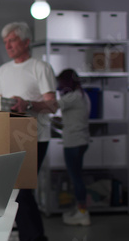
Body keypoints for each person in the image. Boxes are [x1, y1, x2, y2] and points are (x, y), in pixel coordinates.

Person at [0, 22, 57, 241]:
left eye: (12, 40)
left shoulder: (40, 67)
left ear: (26, 41)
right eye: (5, 42)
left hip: (35, 138)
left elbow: (52, 105)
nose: (8, 45)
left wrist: (27, 105)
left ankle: (35, 237)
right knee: (13, 189)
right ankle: (31, 235)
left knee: (22, 188)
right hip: (9, 137)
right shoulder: (2, 70)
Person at [56, 69, 91, 226]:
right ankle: (80, 210)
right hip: (81, 140)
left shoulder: (71, 97)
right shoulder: (82, 95)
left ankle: (82, 214)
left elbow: (52, 105)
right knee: (77, 176)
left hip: (73, 142)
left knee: (76, 178)